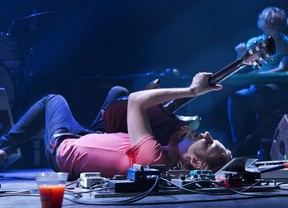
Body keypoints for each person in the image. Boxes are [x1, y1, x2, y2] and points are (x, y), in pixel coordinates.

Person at [0, 72, 232, 180]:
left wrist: (192, 91)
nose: (208, 134)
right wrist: (175, 139)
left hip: (63, 149)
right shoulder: (167, 158)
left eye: (210, 143)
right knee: (117, 93)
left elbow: (137, 101)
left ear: (197, 162)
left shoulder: (152, 159)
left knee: (52, 100)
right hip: (89, 137)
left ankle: (4, 147)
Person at [228, 6, 288, 159]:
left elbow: (282, 68)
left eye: (273, 26)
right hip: (256, 87)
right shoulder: (255, 42)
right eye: (267, 25)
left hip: (277, 89)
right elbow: (244, 68)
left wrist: (261, 75)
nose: (270, 29)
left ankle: (266, 143)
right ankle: (239, 145)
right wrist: (240, 55)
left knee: (261, 95)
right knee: (235, 98)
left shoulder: (285, 43)